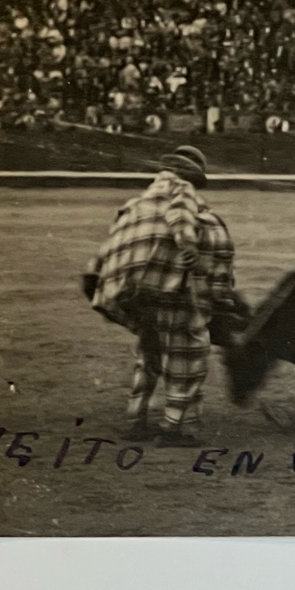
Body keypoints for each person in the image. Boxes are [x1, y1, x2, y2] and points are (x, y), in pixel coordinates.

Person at [83, 145, 239, 447]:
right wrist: (187, 243)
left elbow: (111, 248)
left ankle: (136, 420)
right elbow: (180, 211)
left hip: (135, 292)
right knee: (186, 355)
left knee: (149, 352)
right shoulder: (182, 190)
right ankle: (174, 428)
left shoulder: (136, 205)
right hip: (175, 291)